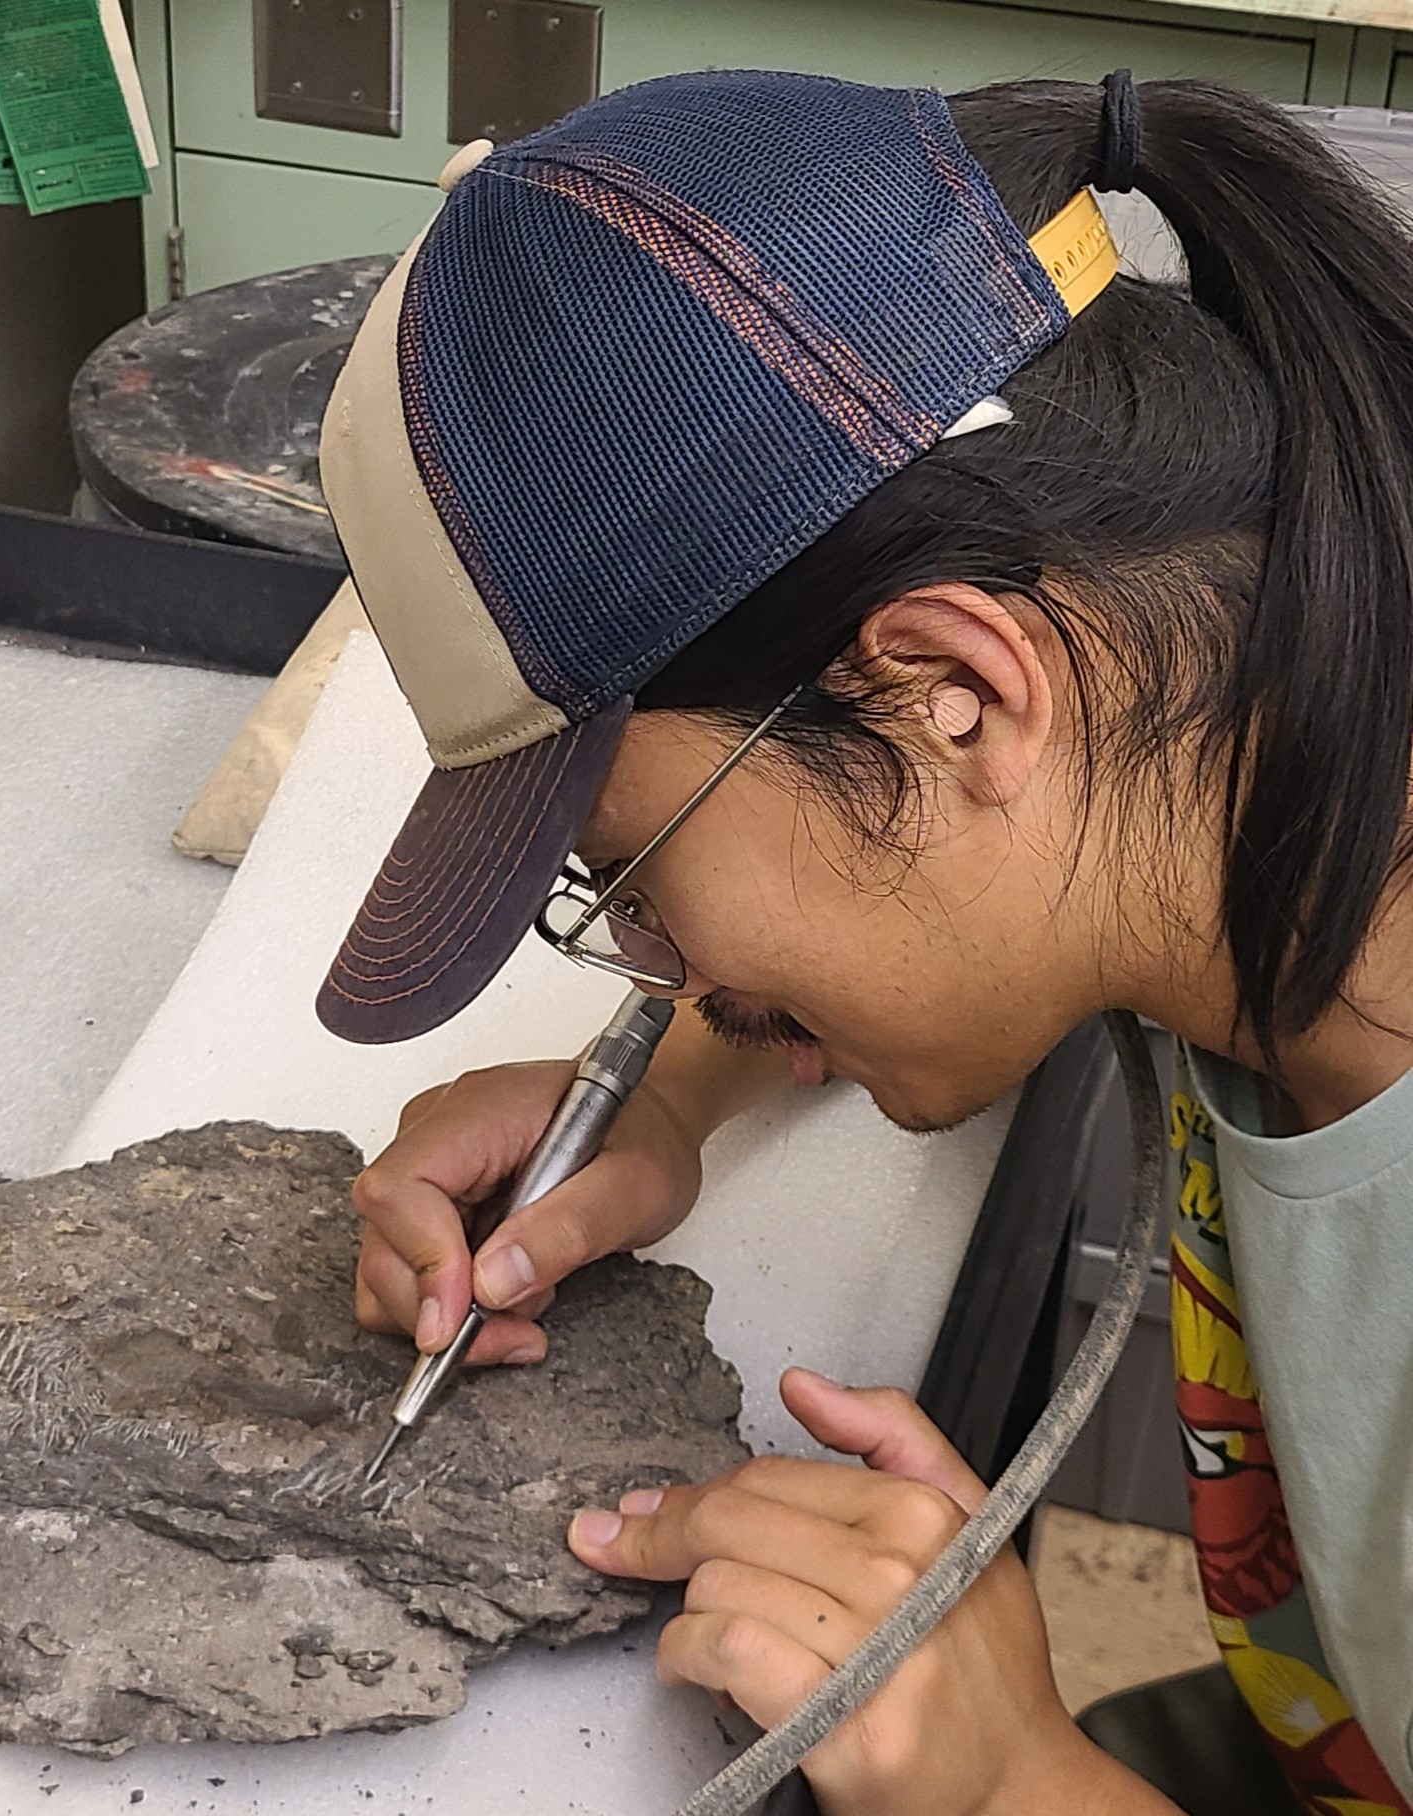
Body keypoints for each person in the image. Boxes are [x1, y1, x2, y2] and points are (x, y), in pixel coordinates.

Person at [310, 65, 1413, 1816]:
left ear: (962, 695)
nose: (653, 970)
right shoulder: (1288, 779)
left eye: (632, 876)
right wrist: (676, 1092)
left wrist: (1012, 1784)